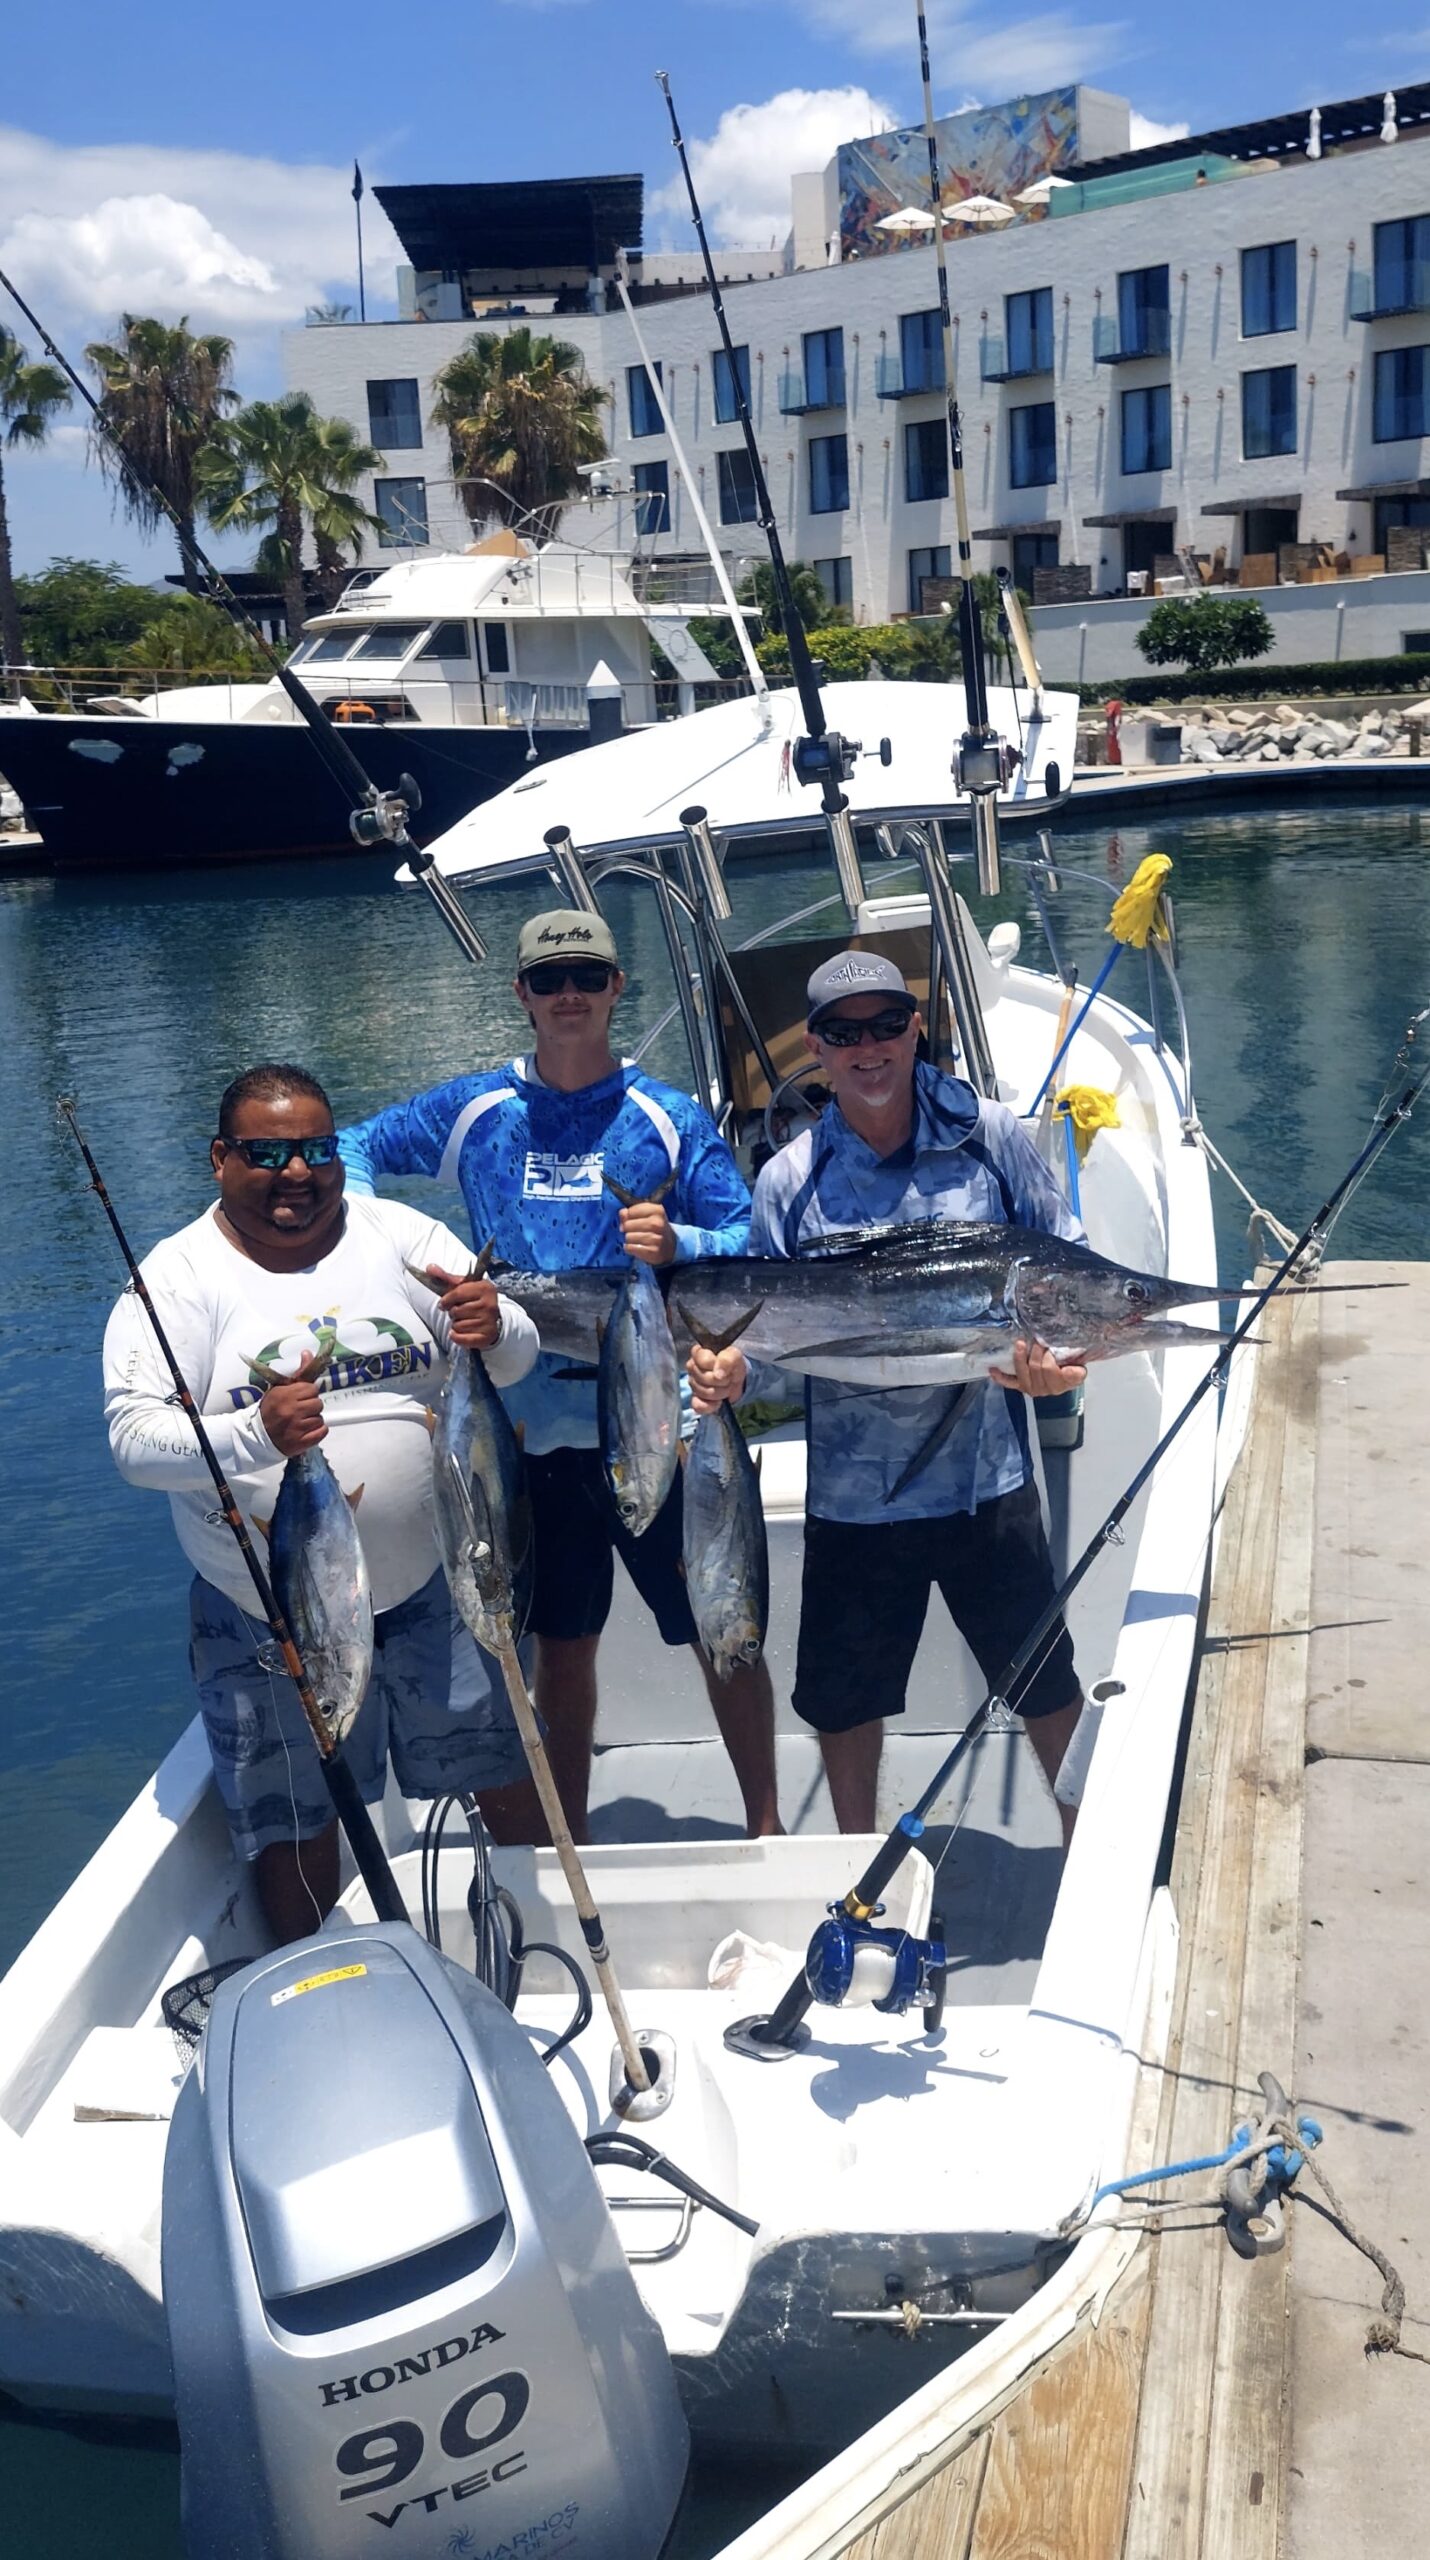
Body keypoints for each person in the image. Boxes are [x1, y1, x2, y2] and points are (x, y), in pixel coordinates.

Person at [338, 909, 781, 1843]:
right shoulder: (478, 1111)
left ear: (618, 987)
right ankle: (563, 1834)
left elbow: (750, 1235)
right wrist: (390, 1250)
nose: (568, 994)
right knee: (560, 1653)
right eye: (549, 980)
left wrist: (683, 1239)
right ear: (522, 995)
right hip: (528, 1440)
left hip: (659, 1431)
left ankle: (768, 1826)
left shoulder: (669, 1117)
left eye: (587, 975)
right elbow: (352, 1151)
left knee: (720, 1631)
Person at [103, 1062, 545, 1943]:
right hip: (270, 1612)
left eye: (315, 1149)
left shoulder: (397, 1233)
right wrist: (251, 1436)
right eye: (267, 1152)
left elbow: (515, 1354)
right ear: (221, 1159)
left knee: (497, 1774)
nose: (296, 1173)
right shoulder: (179, 1281)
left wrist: (498, 1327)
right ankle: (320, 1989)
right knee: (297, 1814)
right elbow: (131, 1440)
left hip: (441, 1584)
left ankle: (532, 1954)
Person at [688, 952, 1088, 1842]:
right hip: (854, 1499)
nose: (867, 1047)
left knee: (1045, 1680)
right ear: (818, 1050)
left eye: (885, 1024)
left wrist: (1058, 1366)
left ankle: (1083, 1853)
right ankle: (855, 1865)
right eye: (842, 1031)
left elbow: (1066, 1261)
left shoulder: (991, 1135)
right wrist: (737, 1372)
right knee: (843, 1698)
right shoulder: (789, 1181)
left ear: (917, 1029)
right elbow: (778, 1341)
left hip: (988, 1483)